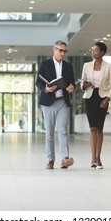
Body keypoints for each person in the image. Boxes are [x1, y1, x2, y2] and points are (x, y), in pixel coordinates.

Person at [36, 40, 75, 169]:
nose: (63, 53)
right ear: (54, 50)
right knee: (49, 132)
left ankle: (65, 159)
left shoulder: (68, 66)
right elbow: (38, 82)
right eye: (60, 50)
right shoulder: (45, 64)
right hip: (48, 103)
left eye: (65, 51)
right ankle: (50, 160)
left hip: (63, 102)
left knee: (63, 131)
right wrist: (47, 89)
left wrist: (71, 88)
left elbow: (72, 84)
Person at [80, 42, 111, 169]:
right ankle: (93, 158)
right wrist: (85, 85)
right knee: (92, 128)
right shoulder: (86, 65)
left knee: (99, 128)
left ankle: (98, 157)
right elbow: (82, 83)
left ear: (102, 53)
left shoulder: (109, 66)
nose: (93, 52)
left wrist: (107, 98)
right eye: (92, 50)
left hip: (102, 98)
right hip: (90, 97)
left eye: (95, 50)